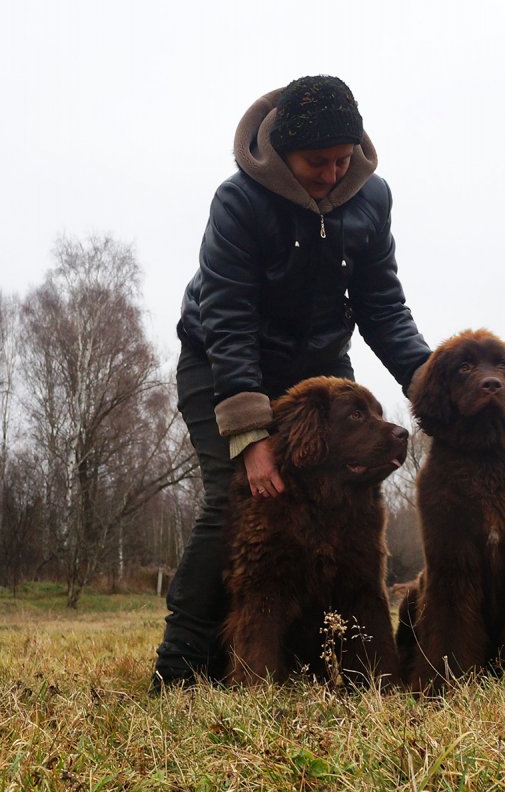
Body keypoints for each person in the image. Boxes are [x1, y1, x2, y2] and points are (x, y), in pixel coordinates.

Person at [153, 75, 431, 688]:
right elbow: (226, 318)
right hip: (223, 364)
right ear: (282, 151)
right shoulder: (240, 201)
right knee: (235, 499)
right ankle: (181, 668)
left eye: (342, 160)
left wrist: (431, 386)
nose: (332, 174)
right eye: (317, 162)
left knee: (353, 506)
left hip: (320, 371)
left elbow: (383, 305)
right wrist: (251, 437)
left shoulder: (371, 199)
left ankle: (347, 665)